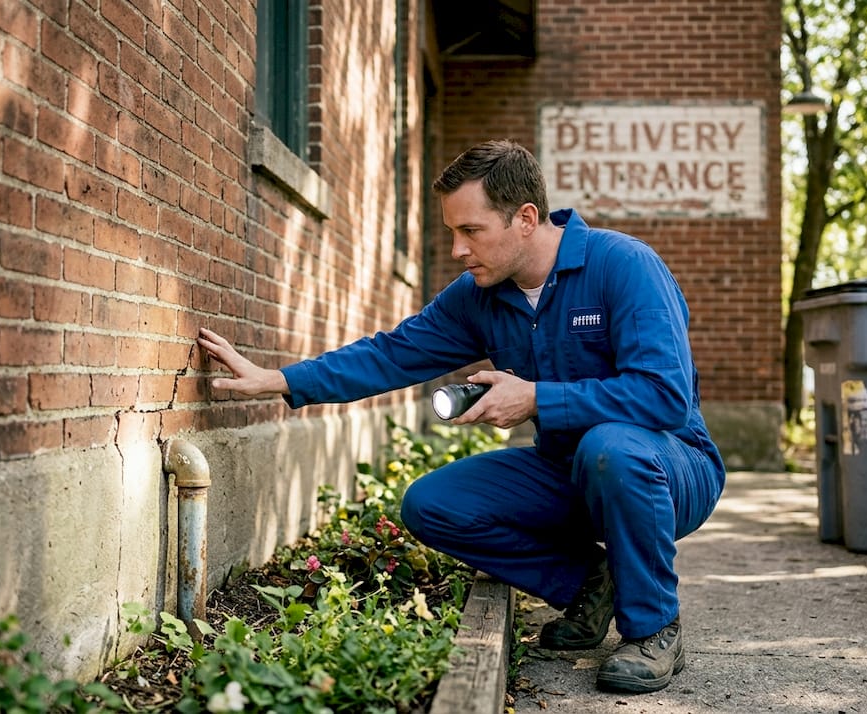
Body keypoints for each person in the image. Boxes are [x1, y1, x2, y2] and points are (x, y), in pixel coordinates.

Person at [197, 139, 726, 694]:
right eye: (453, 232)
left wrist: (537, 397)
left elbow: (663, 396)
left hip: (669, 468)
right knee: (433, 505)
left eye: (470, 231)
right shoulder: (479, 295)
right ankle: (589, 582)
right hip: (569, 470)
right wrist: (279, 379)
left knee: (612, 447)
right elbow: (390, 354)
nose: (457, 249)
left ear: (525, 219)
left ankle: (654, 628)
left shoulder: (624, 266)